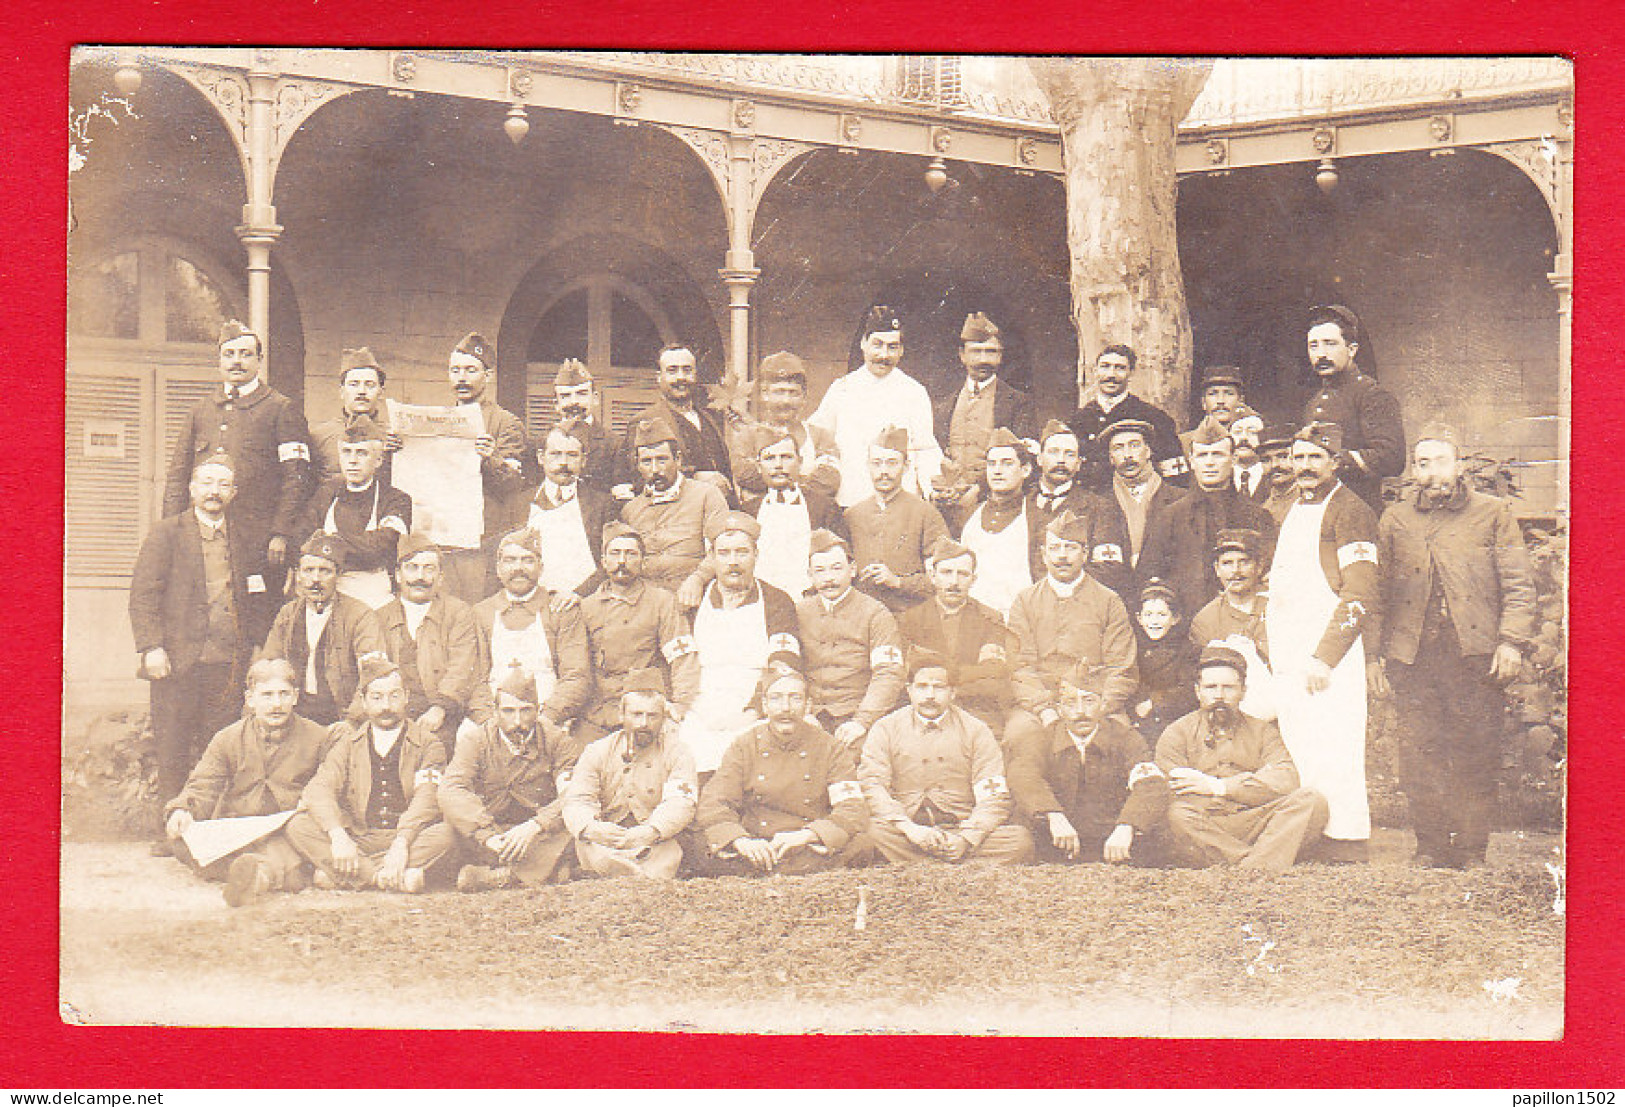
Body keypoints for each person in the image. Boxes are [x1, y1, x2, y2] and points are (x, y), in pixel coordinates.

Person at [1378, 423, 1537, 868]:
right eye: (1421, 464)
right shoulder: (1395, 519)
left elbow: (1519, 586)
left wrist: (1511, 643)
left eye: (1440, 462)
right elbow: (1379, 591)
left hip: (1475, 654)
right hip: (1413, 656)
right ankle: (1429, 846)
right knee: (1419, 752)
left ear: (1460, 464)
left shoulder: (1492, 513)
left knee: (1475, 749)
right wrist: (1379, 653)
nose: (1431, 474)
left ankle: (1470, 849)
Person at [1264, 422, 1382, 862]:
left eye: (1317, 457)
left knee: (1337, 741)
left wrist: (1326, 657)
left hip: (1330, 654)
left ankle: (1345, 839)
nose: (1306, 466)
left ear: (1335, 462)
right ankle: (1309, 833)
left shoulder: (1351, 510)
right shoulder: (1292, 506)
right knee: (1300, 740)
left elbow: (1360, 593)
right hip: (1291, 649)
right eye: (1299, 457)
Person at [129, 454, 265, 807]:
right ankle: (170, 827)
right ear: (191, 490)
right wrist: (151, 647)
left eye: (222, 485)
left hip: (227, 662)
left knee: (217, 745)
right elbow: (144, 594)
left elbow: (256, 597)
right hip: (176, 660)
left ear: (233, 493)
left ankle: (208, 825)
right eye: (206, 483)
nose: (214, 492)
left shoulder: (245, 537)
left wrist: (256, 649)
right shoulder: (167, 533)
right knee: (172, 744)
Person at [161, 320, 311, 612]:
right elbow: (178, 476)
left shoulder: (280, 408)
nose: (237, 361)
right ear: (219, 361)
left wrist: (280, 532)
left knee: (256, 616)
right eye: (229, 354)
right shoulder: (201, 411)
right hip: (205, 535)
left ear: (259, 360)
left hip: (258, 540)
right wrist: (172, 529)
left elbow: (297, 478)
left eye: (245, 354)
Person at [161, 659, 331, 906]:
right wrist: (183, 810)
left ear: (295, 697)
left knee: (294, 845)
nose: (276, 704)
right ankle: (265, 870)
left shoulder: (317, 738)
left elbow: (329, 787)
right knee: (182, 840)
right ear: (250, 699)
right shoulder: (228, 738)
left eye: (284, 694)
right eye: (267, 695)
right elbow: (204, 784)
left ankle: (259, 876)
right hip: (240, 828)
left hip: (288, 828)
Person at [1154, 645, 1329, 873]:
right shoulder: (1177, 732)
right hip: (1205, 823)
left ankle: (1246, 864)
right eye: (1210, 687)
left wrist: (1218, 787)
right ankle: (1260, 862)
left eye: (1228, 688)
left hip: (1255, 819)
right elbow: (1175, 788)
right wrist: (1254, 785)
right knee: (1176, 814)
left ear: (1243, 691)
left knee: (1311, 800)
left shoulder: (1263, 731)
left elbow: (1285, 779)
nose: (1219, 695)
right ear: (1198, 691)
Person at [285, 658, 454, 892]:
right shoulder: (348, 745)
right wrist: (338, 836)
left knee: (448, 832)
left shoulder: (428, 744)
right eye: (377, 697)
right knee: (298, 825)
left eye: (394, 696)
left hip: (410, 837)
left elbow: (427, 797)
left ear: (406, 697)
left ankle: (345, 875)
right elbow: (319, 788)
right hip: (360, 838)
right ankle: (386, 877)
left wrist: (401, 843)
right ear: (363, 702)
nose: (386, 705)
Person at [693, 661, 873, 876]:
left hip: (807, 844)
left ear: (808, 705)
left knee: (861, 843)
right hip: (757, 843)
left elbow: (851, 807)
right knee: (703, 842)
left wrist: (807, 835)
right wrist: (741, 841)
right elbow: (715, 801)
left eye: (795, 698)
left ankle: (783, 871)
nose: (785, 708)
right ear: (765, 705)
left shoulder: (830, 748)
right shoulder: (745, 745)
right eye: (776, 698)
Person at [859, 657, 1034, 865]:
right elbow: (872, 785)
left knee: (1019, 840)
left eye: (939, 687)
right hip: (908, 832)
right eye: (922, 687)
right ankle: (951, 864)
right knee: (870, 833)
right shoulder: (885, 728)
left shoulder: (976, 730)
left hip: (960, 827)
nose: (930, 696)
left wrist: (966, 839)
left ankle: (926, 862)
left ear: (953, 692)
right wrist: (909, 829)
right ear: (909, 690)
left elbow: (994, 795)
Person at [1005, 662, 1170, 865]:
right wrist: (1053, 814)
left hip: (1111, 841)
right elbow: (1023, 776)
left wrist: (1127, 826)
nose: (1080, 712)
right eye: (1070, 703)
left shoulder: (1126, 738)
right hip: (1054, 838)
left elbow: (1151, 784)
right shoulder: (1039, 738)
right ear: (1059, 709)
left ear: (1103, 704)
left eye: (1089, 701)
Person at [678, 512, 802, 774]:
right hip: (696, 710)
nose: (733, 562)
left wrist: (752, 712)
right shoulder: (693, 602)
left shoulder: (777, 602)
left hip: (753, 710)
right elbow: (675, 662)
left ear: (756, 554)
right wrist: (680, 708)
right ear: (711, 557)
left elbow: (784, 664)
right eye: (724, 553)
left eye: (742, 552)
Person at [1004, 510, 1139, 752]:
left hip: (1095, 703)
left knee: (1123, 741)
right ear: (1044, 555)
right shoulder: (1025, 601)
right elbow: (1019, 667)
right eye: (1055, 549)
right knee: (1018, 737)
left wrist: (1095, 708)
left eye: (1071, 548)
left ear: (1085, 554)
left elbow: (1122, 668)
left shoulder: (1109, 601)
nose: (1062, 557)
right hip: (1041, 703)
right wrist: (1045, 709)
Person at [439, 666, 581, 891]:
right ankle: (545, 870)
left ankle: (501, 876)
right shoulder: (475, 740)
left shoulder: (557, 741)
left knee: (576, 831)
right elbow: (452, 788)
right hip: (490, 830)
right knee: (448, 831)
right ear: (495, 711)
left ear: (538, 710)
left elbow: (574, 793)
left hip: (536, 835)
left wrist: (537, 825)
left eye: (525, 710)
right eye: (508, 711)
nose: (517, 721)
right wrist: (487, 835)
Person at [561, 670, 699, 879]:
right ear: (622, 715)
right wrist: (592, 827)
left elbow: (681, 802)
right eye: (636, 714)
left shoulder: (678, 752)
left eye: (652, 715)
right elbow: (577, 799)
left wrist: (652, 830)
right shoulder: (597, 751)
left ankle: (629, 873)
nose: (644, 723)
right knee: (590, 847)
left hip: (653, 838)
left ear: (663, 718)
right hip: (607, 837)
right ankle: (623, 869)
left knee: (668, 853)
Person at [807, 305, 944, 507]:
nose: (884, 355)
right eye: (877, 345)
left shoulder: (914, 392)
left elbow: (925, 448)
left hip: (899, 505)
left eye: (892, 347)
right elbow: (817, 438)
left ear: (902, 350)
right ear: (863, 344)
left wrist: (932, 489)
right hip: (851, 499)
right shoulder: (842, 389)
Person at [465, 528, 592, 744]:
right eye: (510, 560)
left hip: (550, 718)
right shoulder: (481, 613)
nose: (518, 568)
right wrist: (490, 723)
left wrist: (547, 718)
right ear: (498, 568)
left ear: (540, 568)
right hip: (494, 721)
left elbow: (576, 676)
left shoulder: (560, 609)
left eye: (527, 560)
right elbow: (475, 679)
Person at [1139, 418, 1276, 619]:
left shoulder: (1257, 517)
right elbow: (1149, 577)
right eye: (1203, 455)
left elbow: (1268, 577)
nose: (1210, 462)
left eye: (1218, 454)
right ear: (1192, 461)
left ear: (1233, 458)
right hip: (1186, 624)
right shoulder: (1169, 517)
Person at [577, 522, 700, 740]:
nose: (622, 561)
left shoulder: (662, 602)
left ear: (643, 562)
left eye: (630, 554)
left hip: (647, 711)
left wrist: (680, 707)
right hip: (597, 714)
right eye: (615, 554)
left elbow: (683, 659)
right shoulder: (586, 607)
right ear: (604, 562)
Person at [257, 533, 388, 726]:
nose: (315, 579)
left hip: (341, 717)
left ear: (338, 575)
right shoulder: (288, 614)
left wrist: (352, 721)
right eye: (308, 570)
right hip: (294, 717)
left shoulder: (360, 616)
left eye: (325, 571)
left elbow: (373, 674)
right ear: (298, 575)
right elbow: (268, 666)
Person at [439, 331, 531, 603]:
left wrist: (489, 459)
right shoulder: (437, 421)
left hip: (483, 541)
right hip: (443, 538)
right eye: (455, 370)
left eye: (470, 370)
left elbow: (513, 486)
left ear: (488, 376)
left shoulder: (506, 423)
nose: (462, 378)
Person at [796, 529, 906, 748]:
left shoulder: (876, 613)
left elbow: (888, 674)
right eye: (820, 570)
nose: (829, 578)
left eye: (837, 568)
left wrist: (861, 722)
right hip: (809, 716)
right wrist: (801, 713)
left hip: (857, 715)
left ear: (852, 570)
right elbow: (786, 668)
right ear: (810, 575)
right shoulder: (798, 612)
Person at [896, 539, 1017, 733]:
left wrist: (941, 680)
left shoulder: (990, 619)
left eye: (962, 574)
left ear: (973, 579)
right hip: (924, 713)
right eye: (946, 573)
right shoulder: (910, 620)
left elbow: (992, 677)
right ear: (932, 576)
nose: (954, 582)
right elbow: (907, 679)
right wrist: (968, 675)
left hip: (977, 713)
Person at [375, 533, 480, 751]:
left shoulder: (458, 613)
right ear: (397, 575)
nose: (420, 577)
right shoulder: (378, 618)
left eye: (428, 568)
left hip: (444, 715)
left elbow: (460, 670)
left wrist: (440, 709)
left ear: (441, 577)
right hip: (393, 715)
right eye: (412, 567)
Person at [301, 415, 412, 609]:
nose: (352, 461)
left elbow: (381, 547)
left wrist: (327, 541)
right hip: (329, 589)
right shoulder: (326, 493)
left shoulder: (395, 500)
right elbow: (302, 539)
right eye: (346, 452)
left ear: (378, 460)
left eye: (361, 453)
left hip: (374, 594)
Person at [1302, 305, 1406, 511]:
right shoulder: (1314, 403)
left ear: (1352, 349)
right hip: (1318, 508)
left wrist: (1338, 460)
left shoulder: (1372, 395)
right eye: (1313, 346)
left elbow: (1392, 458)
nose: (1321, 354)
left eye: (1330, 344)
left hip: (1358, 508)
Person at [620, 417, 730, 602]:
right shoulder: (631, 510)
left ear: (678, 459)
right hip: (647, 602)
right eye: (647, 462)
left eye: (662, 460)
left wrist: (697, 580)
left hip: (696, 596)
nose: (655, 470)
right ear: (638, 465)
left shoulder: (706, 495)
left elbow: (723, 547)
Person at [845, 426, 951, 613]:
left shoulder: (926, 514)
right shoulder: (852, 515)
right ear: (868, 466)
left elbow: (945, 577)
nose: (884, 471)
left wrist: (898, 581)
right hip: (860, 618)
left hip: (911, 616)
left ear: (906, 466)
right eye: (877, 463)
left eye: (892, 463)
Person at [931, 312, 1034, 500]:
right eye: (976, 351)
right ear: (962, 355)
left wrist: (979, 490)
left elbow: (1022, 461)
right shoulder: (944, 406)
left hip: (995, 499)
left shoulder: (1018, 403)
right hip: (950, 499)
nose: (983, 360)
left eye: (991, 351)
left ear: (1000, 356)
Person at [739, 424, 846, 600]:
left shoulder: (823, 507)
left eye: (786, 457)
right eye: (770, 458)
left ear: (800, 462)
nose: (778, 465)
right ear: (759, 466)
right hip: (763, 601)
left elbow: (840, 560)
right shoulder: (749, 511)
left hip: (812, 600)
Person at [613, 342, 733, 498]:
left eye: (687, 370)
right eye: (672, 371)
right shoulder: (644, 421)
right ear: (659, 377)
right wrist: (696, 477)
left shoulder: (710, 419)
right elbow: (639, 478)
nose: (681, 377)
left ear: (695, 374)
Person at [1068, 344, 1185, 492]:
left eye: (1120, 368)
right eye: (1105, 366)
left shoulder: (1154, 418)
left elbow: (1175, 478)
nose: (1111, 374)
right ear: (1094, 371)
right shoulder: (1078, 420)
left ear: (1131, 373)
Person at [1090, 417, 1184, 597]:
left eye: (1134, 445)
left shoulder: (1178, 499)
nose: (1127, 455)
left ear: (1148, 451)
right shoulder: (1098, 504)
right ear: (1110, 458)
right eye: (1118, 448)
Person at [957, 428, 1045, 619]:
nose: (997, 471)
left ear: (1025, 470)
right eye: (992, 464)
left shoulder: (1037, 518)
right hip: (974, 620)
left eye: (1007, 464)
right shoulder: (970, 516)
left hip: (1020, 620)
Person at [732, 351, 842, 501]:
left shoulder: (820, 436)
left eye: (793, 393)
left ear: (804, 397)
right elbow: (745, 475)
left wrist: (775, 482)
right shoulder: (748, 436)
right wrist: (801, 480)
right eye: (779, 392)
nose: (786, 401)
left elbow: (828, 481)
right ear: (765, 394)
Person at [524, 424, 617, 597]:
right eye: (555, 454)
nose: (563, 463)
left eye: (572, 455)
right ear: (540, 457)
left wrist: (579, 595)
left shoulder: (602, 504)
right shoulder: (519, 503)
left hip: (586, 601)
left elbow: (610, 561)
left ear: (583, 460)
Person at [1189, 528, 1272, 677]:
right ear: (1217, 569)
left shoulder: (1279, 605)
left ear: (1259, 566)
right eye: (1227, 563)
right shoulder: (1206, 620)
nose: (1236, 571)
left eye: (1244, 562)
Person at [309, 347, 396, 487]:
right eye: (354, 384)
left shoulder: (393, 437)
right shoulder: (319, 436)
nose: (361, 392)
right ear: (342, 391)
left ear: (381, 392)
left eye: (370, 385)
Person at [1127, 579, 1199, 743]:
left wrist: (1154, 702)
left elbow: (1189, 690)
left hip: (1172, 721)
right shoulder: (1133, 648)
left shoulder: (1188, 651)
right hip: (1137, 719)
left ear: (1175, 618)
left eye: (1161, 615)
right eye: (1148, 615)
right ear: (1139, 618)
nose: (1154, 621)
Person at [548, 358, 617, 492]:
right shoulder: (541, 442)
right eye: (566, 396)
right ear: (556, 404)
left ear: (595, 398)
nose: (574, 402)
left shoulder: (614, 444)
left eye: (581, 394)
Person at [1029, 420, 1093, 519]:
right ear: (1039, 459)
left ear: (1078, 464)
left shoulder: (1098, 508)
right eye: (1054, 452)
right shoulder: (1021, 501)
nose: (1061, 460)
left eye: (1069, 454)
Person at [1179, 364, 1248, 453]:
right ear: (1203, 402)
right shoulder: (1184, 443)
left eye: (1229, 393)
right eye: (1213, 393)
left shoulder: (1248, 440)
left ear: (1240, 401)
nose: (1220, 401)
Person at [1254, 421, 1302, 524]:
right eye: (1266, 460)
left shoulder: (1309, 501)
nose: (1274, 465)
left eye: (1282, 457)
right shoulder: (1260, 500)